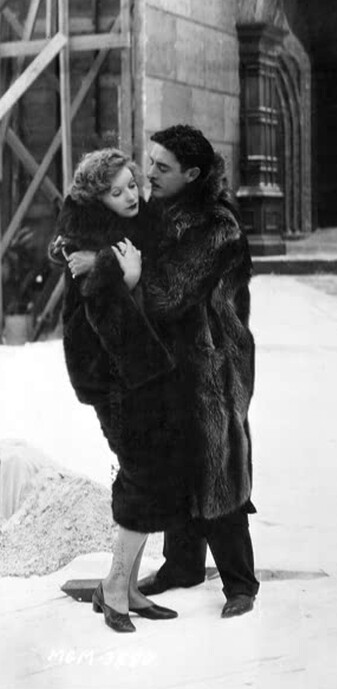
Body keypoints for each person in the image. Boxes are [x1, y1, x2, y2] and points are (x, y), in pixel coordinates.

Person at [50, 148, 182, 633]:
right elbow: (106, 320)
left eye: (131, 185)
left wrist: (125, 272)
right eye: (116, 191)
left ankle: (124, 589)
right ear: (96, 197)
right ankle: (114, 588)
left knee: (142, 473)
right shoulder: (89, 246)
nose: (130, 196)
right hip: (114, 376)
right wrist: (122, 276)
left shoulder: (122, 234)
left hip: (136, 374)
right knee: (143, 475)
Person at [132, 124, 259, 619]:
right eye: (151, 162)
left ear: (192, 174)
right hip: (172, 363)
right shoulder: (161, 212)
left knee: (217, 467)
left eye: (162, 167)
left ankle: (241, 584)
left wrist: (128, 273)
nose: (150, 173)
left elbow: (166, 294)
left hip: (213, 368)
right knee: (174, 463)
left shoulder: (216, 228)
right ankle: (182, 566)